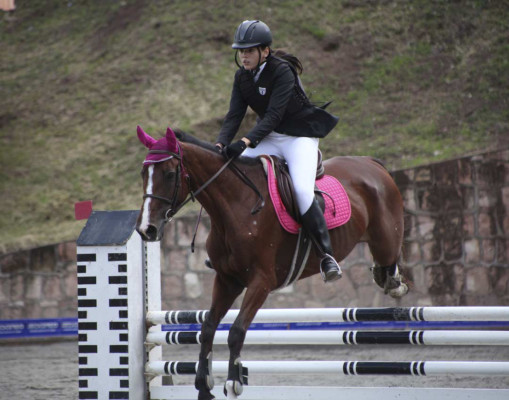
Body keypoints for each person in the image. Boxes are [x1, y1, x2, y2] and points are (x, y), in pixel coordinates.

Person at [215, 20, 342, 282]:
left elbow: (273, 115)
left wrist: (246, 142)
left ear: (265, 51)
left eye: (249, 51)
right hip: (271, 137)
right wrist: (221, 143)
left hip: (299, 137)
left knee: (301, 189)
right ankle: (226, 244)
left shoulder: (282, 72)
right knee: (231, 171)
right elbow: (234, 115)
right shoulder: (242, 77)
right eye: (241, 51)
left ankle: (326, 255)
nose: (244, 56)